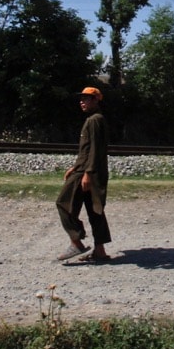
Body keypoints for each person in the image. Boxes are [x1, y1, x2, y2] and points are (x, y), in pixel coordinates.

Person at [55, 86, 112, 262]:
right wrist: (75, 166)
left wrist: (87, 173)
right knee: (95, 210)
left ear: (96, 100)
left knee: (63, 203)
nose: (82, 101)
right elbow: (89, 150)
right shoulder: (96, 119)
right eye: (81, 98)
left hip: (88, 172)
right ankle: (100, 251)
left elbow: (95, 149)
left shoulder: (94, 120)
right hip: (88, 169)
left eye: (87, 98)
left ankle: (76, 242)